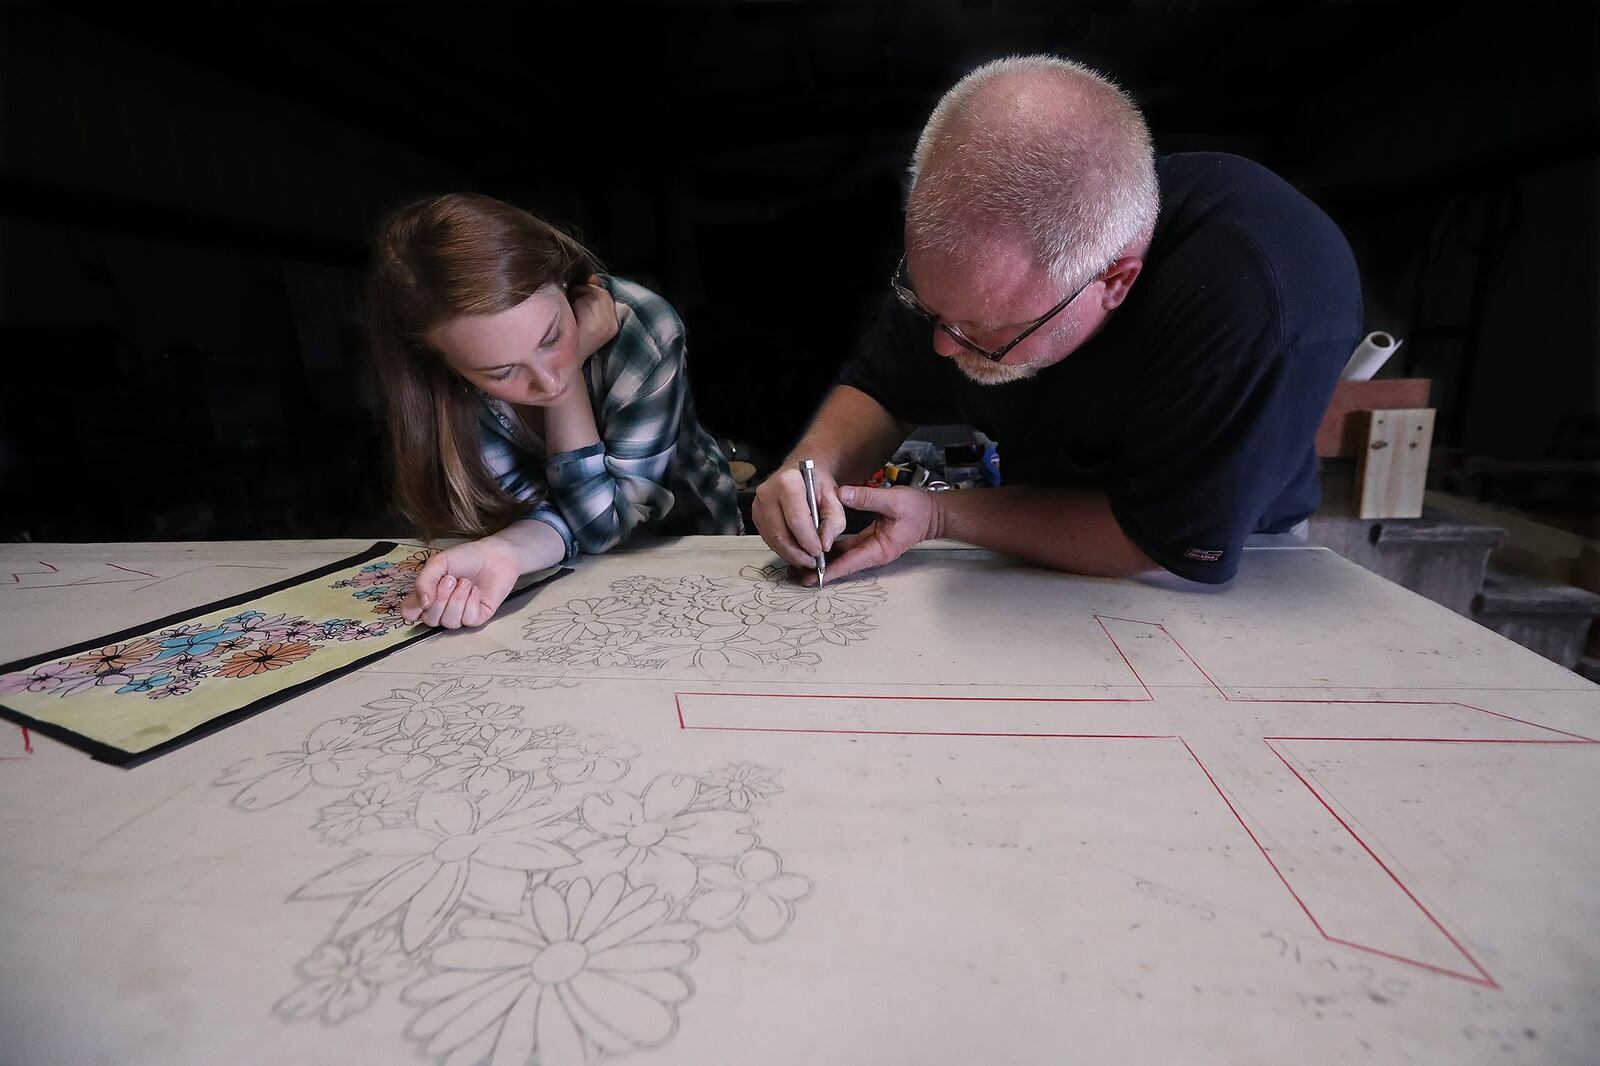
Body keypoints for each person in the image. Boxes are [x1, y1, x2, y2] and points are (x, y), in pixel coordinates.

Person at [753, 54, 1362, 587]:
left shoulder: (1256, 299)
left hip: (1217, 562)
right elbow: (883, 386)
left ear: (1114, 282)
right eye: (930, 308)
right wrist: (809, 471)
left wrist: (940, 515)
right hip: (1034, 518)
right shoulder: (977, 262)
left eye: (984, 334)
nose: (940, 346)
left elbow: (1153, 537)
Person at [365, 192, 741, 629]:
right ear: (444, 364)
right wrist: (501, 551)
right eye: (503, 371)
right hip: (563, 568)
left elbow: (606, 525)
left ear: (562, 281)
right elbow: (555, 519)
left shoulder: (643, 324)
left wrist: (569, 386)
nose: (547, 380)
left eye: (551, 338)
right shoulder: (444, 390)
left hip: (695, 541)